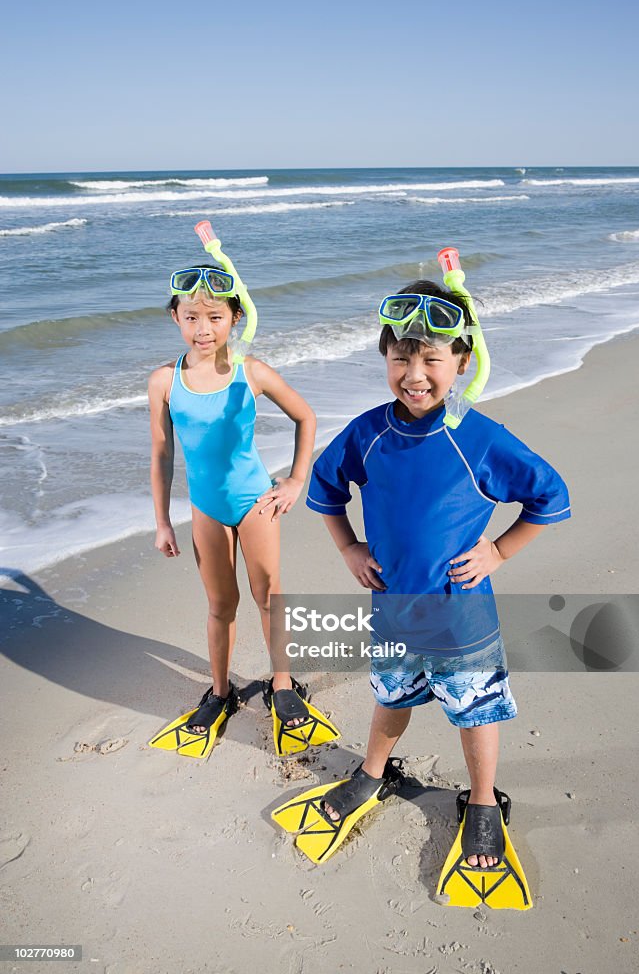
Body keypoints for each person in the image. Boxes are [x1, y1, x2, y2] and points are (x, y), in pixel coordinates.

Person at [304, 277, 570, 874]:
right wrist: (348, 547)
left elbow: (548, 495)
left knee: (476, 709)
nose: (415, 374)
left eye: (432, 358)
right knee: (390, 695)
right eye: (401, 358)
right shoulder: (369, 433)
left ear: (462, 362)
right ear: (385, 359)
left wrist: (499, 552)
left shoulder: (477, 438)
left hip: (461, 613)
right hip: (394, 608)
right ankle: (373, 771)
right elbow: (325, 486)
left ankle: (480, 801)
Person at [148, 262, 317, 750]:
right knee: (221, 605)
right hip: (206, 509)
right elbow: (161, 454)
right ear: (175, 318)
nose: (204, 328)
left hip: (254, 502)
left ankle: (281, 685)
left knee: (268, 595)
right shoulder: (164, 381)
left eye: (215, 317)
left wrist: (295, 480)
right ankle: (220, 691)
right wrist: (162, 521)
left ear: (236, 318)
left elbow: (305, 417)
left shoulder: (252, 371)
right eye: (192, 317)